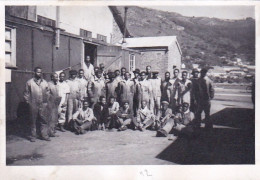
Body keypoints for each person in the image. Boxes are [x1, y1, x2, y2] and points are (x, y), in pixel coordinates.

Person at [24, 67, 50, 142]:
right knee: (33, 120)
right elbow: (26, 93)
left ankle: (44, 135)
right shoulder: (29, 82)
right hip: (33, 104)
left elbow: (48, 92)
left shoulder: (44, 82)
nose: (39, 73)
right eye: (38, 72)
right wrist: (29, 103)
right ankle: (33, 136)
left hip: (43, 104)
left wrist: (46, 101)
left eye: (41, 72)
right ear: (34, 72)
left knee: (44, 120)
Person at [47, 73, 61, 137]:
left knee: (55, 118)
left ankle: (52, 131)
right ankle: (50, 132)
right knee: (51, 118)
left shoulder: (56, 85)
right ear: (52, 78)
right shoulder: (49, 84)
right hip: (50, 104)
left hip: (55, 104)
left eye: (57, 77)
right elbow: (47, 95)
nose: (57, 78)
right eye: (55, 77)